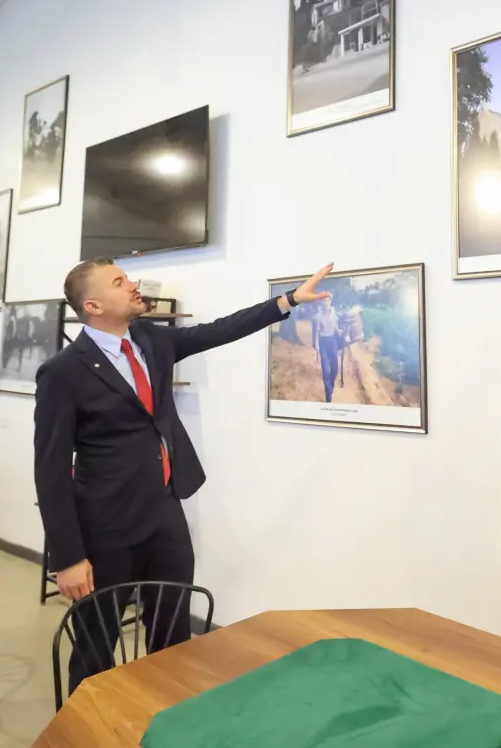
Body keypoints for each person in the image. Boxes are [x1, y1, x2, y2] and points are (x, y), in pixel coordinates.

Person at [34, 258, 333, 694]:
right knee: (96, 646)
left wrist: (286, 302)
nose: (132, 284)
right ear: (93, 306)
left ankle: (164, 713)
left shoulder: (150, 339)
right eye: (119, 282)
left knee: (172, 636)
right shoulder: (63, 372)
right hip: (105, 525)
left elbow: (218, 331)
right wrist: (67, 558)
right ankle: (82, 726)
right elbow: (50, 469)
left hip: (165, 514)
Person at [313, 296, 342, 402]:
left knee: (335, 369)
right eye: (324, 301)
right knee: (325, 370)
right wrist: (317, 346)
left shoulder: (333, 311)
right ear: (321, 303)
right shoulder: (318, 316)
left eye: (328, 301)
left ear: (330, 302)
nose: (326, 303)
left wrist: (339, 331)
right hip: (323, 343)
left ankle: (331, 385)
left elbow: (335, 324)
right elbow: (316, 332)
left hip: (332, 341)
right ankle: (328, 395)